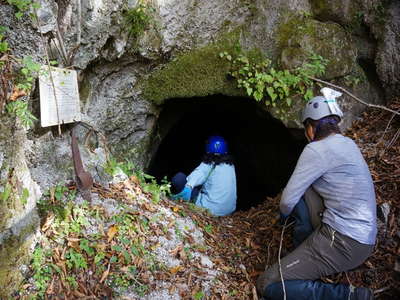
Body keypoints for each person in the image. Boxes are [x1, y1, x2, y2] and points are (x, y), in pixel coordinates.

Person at [256, 94, 377, 300]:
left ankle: (347, 296)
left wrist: (283, 217)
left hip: (342, 241)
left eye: (306, 128)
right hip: (364, 237)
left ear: (311, 127)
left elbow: (287, 200)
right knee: (309, 187)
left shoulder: (315, 149)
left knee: (268, 283)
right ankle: (302, 254)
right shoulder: (348, 144)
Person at [170, 135, 237, 216]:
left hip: (209, 209)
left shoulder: (209, 164)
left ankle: (176, 199)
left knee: (179, 178)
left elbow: (197, 174)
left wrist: (189, 186)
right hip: (228, 210)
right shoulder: (231, 166)